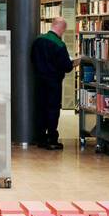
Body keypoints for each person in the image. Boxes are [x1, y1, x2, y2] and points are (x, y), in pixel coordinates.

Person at [31, 17, 76, 150]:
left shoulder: (38, 40)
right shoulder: (59, 44)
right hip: (53, 82)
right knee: (52, 109)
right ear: (61, 28)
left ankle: (40, 137)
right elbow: (67, 66)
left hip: (39, 80)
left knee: (40, 108)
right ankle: (52, 138)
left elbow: (32, 59)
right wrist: (73, 63)